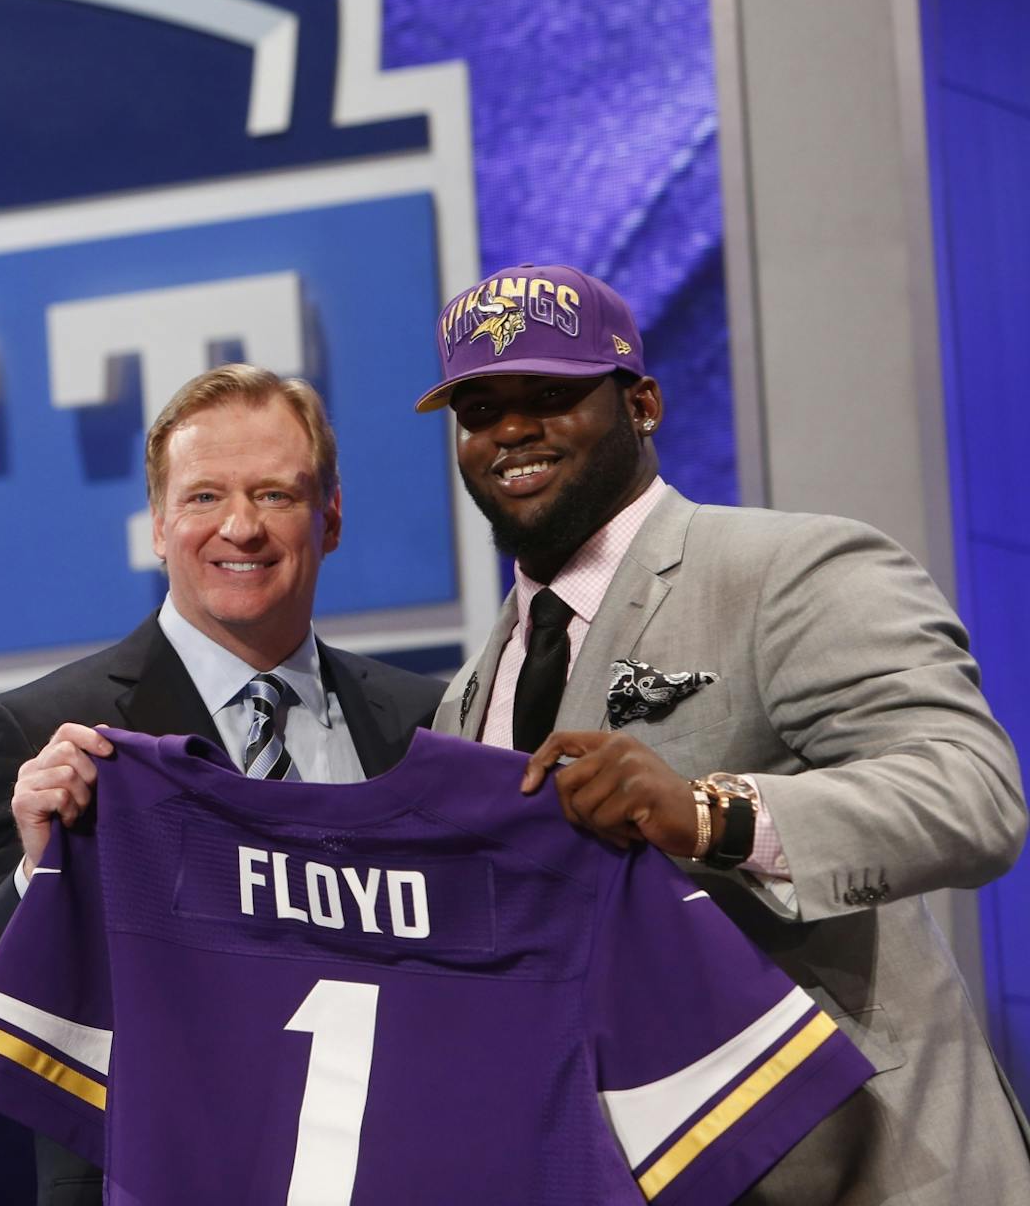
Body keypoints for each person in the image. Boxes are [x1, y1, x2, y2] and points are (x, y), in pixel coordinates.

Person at [419, 263, 1030, 1204]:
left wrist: (712, 814)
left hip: (872, 1169)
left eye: (551, 393)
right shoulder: (468, 695)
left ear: (645, 403)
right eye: (481, 409)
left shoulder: (791, 568)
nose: (511, 431)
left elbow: (971, 796)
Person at [0, 364, 443, 1206]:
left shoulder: (431, 725)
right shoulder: (38, 733)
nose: (241, 526)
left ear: (329, 517)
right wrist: (35, 878)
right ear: (157, 524)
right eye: (203, 498)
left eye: (275, 494)